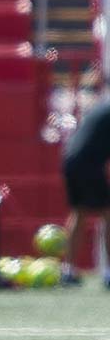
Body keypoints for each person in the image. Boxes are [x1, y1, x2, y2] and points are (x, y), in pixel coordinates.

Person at [62, 99, 110, 285]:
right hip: (89, 164)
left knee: (79, 213)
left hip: (70, 158)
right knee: (107, 215)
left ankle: (68, 271)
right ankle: (108, 273)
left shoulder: (101, 107)